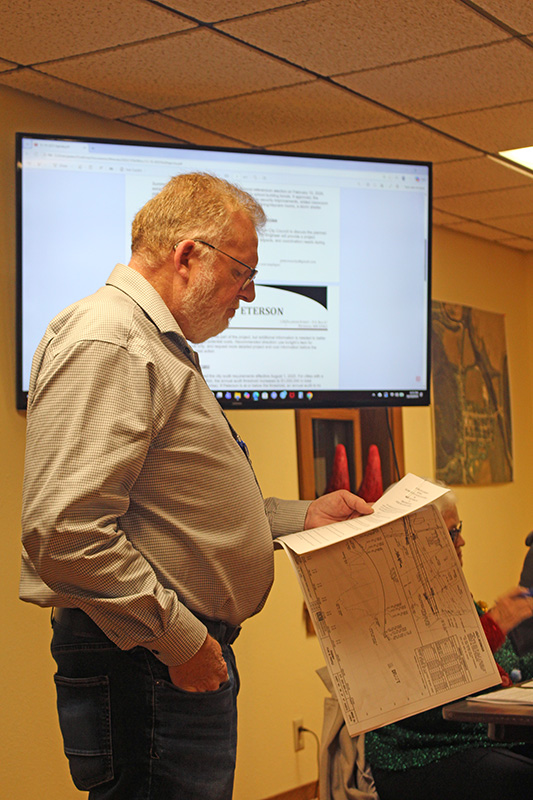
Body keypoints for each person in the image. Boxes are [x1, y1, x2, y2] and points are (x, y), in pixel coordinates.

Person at [20, 173, 373, 800]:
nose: (251, 293)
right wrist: (182, 644)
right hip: (146, 660)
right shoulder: (113, 340)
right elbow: (64, 533)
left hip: (158, 657)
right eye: (242, 272)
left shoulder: (153, 343)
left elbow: (175, 513)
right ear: (187, 255)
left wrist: (300, 519)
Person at [365, 489, 533, 800]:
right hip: (421, 753)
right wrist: (493, 626)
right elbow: (432, 687)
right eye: (452, 532)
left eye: (459, 529)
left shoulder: (452, 593)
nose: (462, 541)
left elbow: (511, 667)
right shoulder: (393, 609)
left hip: (473, 738)